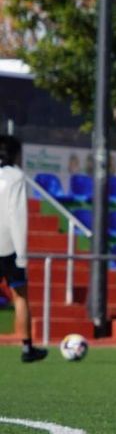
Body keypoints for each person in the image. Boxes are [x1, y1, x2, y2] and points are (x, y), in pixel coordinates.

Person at [0, 135, 48, 363]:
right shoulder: (16, 177)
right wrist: (22, 254)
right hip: (7, 246)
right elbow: (17, 217)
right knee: (20, 297)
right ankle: (27, 347)